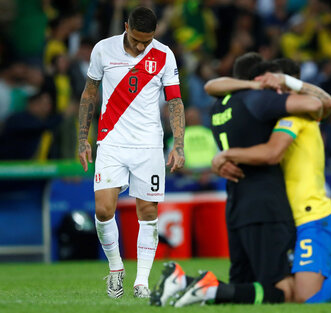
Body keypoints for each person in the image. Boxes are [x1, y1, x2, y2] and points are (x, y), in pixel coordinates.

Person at [154, 58, 331, 307]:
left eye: (275, 82)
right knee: (281, 285)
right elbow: (214, 86)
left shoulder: (298, 116)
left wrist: (226, 155)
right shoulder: (276, 115)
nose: (272, 87)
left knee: (306, 296)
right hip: (288, 215)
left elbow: (273, 152)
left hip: (312, 214)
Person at [150, 53, 330, 307]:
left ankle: (191, 285)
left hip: (236, 202)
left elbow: (211, 86)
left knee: (245, 287)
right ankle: (189, 283)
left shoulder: (219, 107)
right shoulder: (259, 100)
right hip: (266, 204)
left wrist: (221, 159)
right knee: (284, 291)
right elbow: (315, 106)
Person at [77, 7, 185, 299]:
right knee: (103, 209)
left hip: (149, 144)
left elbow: (174, 101)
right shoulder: (103, 49)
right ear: (126, 26)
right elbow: (89, 93)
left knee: (148, 213)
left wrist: (178, 144)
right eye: (136, 39)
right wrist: (82, 139)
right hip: (110, 141)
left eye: (146, 41)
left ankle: (141, 282)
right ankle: (115, 269)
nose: (140, 46)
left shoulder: (164, 54)